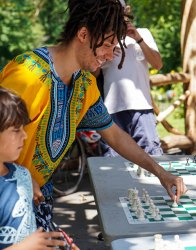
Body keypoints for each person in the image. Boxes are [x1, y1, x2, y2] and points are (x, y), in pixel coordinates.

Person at [0, 0, 186, 231]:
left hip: (38, 203)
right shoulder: (26, 75)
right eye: (108, 45)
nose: (110, 56)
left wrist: (161, 173)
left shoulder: (85, 84)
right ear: (83, 34)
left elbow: (115, 135)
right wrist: (24, 178)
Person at [0, 87, 78, 250]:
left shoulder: (22, 175)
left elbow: (31, 228)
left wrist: (57, 241)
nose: (25, 135)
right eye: (16, 130)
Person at [100, 2, 163, 156]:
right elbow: (94, 74)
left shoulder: (142, 32)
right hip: (112, 110)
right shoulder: (101, 37)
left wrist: (139, 39)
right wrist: (105, 50)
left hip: (142, 107)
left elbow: (158, 64)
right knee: (114, 162)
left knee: (152, 155)